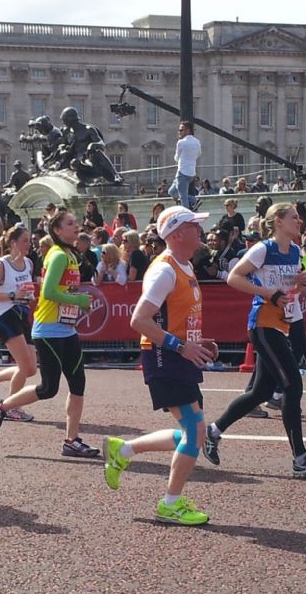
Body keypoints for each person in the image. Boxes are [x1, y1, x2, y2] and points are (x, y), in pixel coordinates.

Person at [100, 205, 217, 525]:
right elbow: (139, 319)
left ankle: (122, 451)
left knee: (191, 431)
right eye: (194, 225)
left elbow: (174, 317)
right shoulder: (165, 269)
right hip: (166, 356)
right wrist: (181, 345)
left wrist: (198, 340)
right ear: (178, 234)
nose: (200, 229)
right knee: (195, 430)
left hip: (178, 354)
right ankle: (170, 503)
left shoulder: (185, 265)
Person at [199, 203, 306, 478]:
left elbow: (291, 288)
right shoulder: (264, 249)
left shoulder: (296, 251)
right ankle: (301, 459)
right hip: (263, 324)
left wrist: (301, 281)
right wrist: (268, 293)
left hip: (282, 324)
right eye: (294, 218)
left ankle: (212, 432)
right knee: (292, 386)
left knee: (260, 392)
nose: (300, 222)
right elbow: (234, 278)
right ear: (278, 222)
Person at [0, 209, 99, 458]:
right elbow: (48, 293)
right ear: (57, 230)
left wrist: (77, 301)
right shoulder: (58, 255)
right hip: (48, 331)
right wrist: (78, 299)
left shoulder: (69, 255)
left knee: (78, 383)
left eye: (75, 222)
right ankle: (0, 406)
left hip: (66, 329)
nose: (76, 226)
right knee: (49, 388)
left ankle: (72, 440)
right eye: (70, 223)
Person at [0, 226, 39, 424]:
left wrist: (29, 296)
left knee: (31, 369)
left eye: (29, 240)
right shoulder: (3, 264)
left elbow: (25, 290)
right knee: (24, 365)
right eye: (25, 240)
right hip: (5, 315)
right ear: (14, 243)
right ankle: (11, 407)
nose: (30, 244)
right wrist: (12, 295)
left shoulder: (28, 263)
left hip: (21, 314)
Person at [172, 121, 202, 209]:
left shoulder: (181, 142)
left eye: (181, 130)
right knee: (172, 191)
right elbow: (198, 154)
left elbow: (176, 158)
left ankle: (193, 201)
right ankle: (193, 200)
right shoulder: (197, 141)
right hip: (191, 173)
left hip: (182, 173)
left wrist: (182, 159)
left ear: (188, 130)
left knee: (183, 198)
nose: (179, 132)